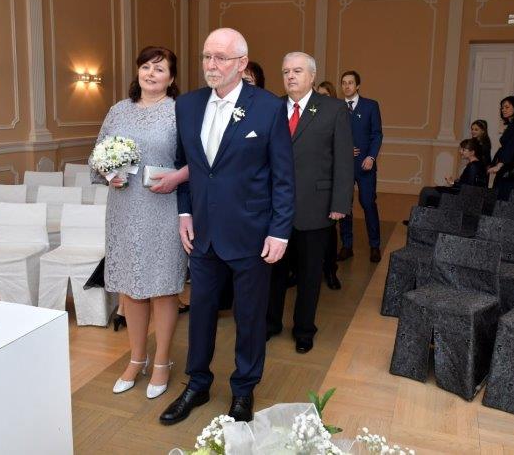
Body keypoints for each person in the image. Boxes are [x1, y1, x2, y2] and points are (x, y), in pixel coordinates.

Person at [160, 28, 294, 425]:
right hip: (202, 234)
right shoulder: (187, 105)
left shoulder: (268, 107)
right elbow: (186, 165)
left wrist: (279, 231)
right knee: (200, 312)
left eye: (220, 58)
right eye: (207, 56)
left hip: (252, 233)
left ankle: (243, 390)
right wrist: (184, 213)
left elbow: (283, 177)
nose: (211, 65)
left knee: (249, 317)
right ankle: (197, 384)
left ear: (241, 63)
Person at [92, 46, 189, 400]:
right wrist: (109, 173)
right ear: (138, 72)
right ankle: (136, 359)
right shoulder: (119, 110)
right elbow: (97, 154)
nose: (151, 73)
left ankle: (161, 361)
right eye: (146, 67)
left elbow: (198, 161)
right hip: (123, 208)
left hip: (163, 207)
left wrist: (176, 178)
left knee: (162, 288)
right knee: (131, 288)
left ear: (171, 77)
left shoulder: (180, 112)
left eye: (159, 69)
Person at [266, 53, 353, 353]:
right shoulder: (273, 107)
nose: (290, 76)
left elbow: (344, 160)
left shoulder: (333, 109)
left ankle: (304, 329)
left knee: (309, 275)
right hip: (274, 209)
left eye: (297, 71)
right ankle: (270, 323)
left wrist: (340, 203)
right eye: (285, 71)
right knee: (273, 272)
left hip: (315, 206)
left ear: (312, 76)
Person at [337, 71, 383, 263]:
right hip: (344, 166)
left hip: (365, 166)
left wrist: (371, 157)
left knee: (368, 203)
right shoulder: (337, 107)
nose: (347, 86)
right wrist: (344, 149)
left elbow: (377, 134)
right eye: (344, 83)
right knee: (344, 206)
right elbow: (330, 135)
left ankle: (375, 246)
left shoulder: (371, 106)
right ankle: (347, 246)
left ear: (357, 86)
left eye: (350, 83)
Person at [316, 80, 341, 289]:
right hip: (310, 187)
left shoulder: (337, 114)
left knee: (329, 234)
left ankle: (331, 270)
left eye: (325, 95)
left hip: (328, 187)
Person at [417, 139, 488, 207]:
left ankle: (420, 214)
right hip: (464, 195)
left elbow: (468, 188)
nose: (460, 151)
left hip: (462, 197)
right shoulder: (478, 164)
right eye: (461, 149)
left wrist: (453, 183)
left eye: (463, 150)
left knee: (426, 191)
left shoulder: (473, 166)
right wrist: (455, 182)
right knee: (427, 190)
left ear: (472, 152)